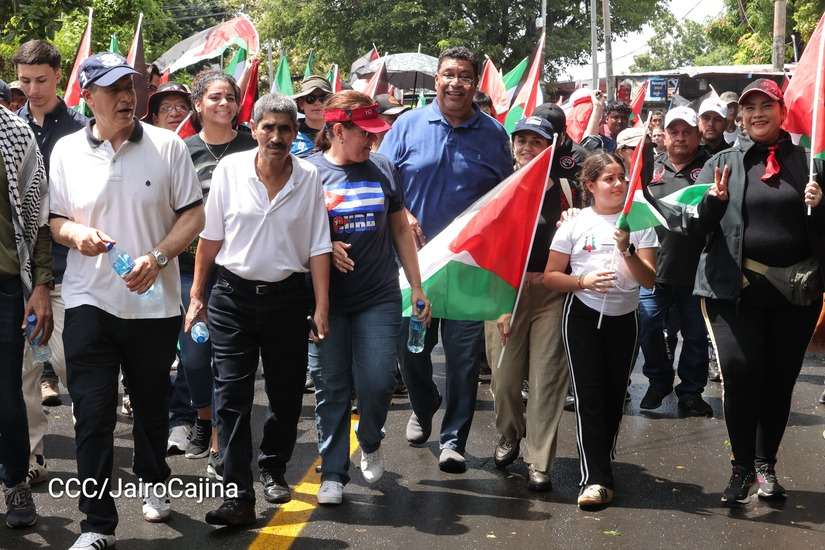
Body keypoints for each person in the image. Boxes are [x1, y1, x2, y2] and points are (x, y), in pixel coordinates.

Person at [49, 52, 204, 549]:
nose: (125, 97)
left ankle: (154, 480)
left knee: (151, 406)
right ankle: (96, 526)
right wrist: (75, 234)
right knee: (92, 413)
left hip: (154, 304)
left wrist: (158, 258)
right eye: (112, 89)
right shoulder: (66, 151)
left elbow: (193, 217)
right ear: (87, 96)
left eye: (130, 87)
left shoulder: (167, 147)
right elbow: (54, 219)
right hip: (87, 299)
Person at [664, 78, 825, 505]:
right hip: (730, 291)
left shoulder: (810, 161)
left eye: (765, 106)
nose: (756, 113)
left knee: (778, 382)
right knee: (740, 375)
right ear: (740, 116)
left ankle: (765, 465)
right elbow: (693, 229)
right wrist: (713, 202)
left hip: (795, 295)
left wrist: (822, 203)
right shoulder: (723, 161)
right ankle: (741, 468)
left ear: (782, 111)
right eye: (749, 107)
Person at [187, 92, 331, 526]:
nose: (275, 136)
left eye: (285, 129)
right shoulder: (230, 169)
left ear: (294, 134)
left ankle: (272, 465)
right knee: (231, 396)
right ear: (253, 130)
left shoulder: (308, 177)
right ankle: (238, 494)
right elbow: (210, 238)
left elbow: (318, 245)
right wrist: (196, 295)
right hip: (231, 298)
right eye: (267, 127)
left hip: (288, 300)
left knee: (286, 395)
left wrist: (321, 304)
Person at [379, 46, 513, 473]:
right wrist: (406, 215)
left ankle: (454, 438)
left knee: (463, 361)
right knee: (410, 351)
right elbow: (382, 181)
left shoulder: (494, 135)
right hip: (414, 266)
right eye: (448, 75)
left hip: (469, 268)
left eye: (465, 76)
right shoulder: (406, 125)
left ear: (476, 83)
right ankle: (424, 406)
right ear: (436, 80)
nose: (456, 83)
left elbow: (505, 198)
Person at [307, 91, 429, 505]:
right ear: (338, 131)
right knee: (331, 386)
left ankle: (371, 437)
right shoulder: (306, 173)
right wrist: (322, 244)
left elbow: (399, 230)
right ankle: (334, 471)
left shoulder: (383, 168)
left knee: (378, 381)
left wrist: (416, 285)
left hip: (378, 296)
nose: (372, 142)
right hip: (324, 302)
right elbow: (289, 234)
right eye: (365, 134)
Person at [544, 150, 657, 509]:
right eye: (609, 179)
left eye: (622, 177)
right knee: (589, 397)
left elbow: (649, 281)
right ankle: (594, 480)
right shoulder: (575, 224)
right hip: (582, 317)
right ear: (590, 186)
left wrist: (627, 251)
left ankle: (601, 458)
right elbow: (550, 277)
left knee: (613, 395)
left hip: (625, 318)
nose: (619, 184)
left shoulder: (641, 222)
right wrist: (583, 281)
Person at [13, 38, 88, 486]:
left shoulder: (81, 130)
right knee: (24, 371)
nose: (33, 89)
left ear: (59, 75)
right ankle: (32, 455)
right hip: (21, 275)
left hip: (69, 271)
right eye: (24, 81)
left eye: (41, 80)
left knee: (72, 364)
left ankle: (92, 442)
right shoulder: (12, 130)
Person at [486, 116, 573, 492]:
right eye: (520, 140)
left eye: (535, 142)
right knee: (505, 379)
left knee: (547, 380)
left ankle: (540, 459)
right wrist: (503, 304)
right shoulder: (499, 188)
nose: (525, 147)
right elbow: (487, 248)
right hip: (506, 294)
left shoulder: (569, 190)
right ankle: (509, 433)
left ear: (550, 148)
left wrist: (577, 218)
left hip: (553, 294)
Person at [182, 70, 256, 466]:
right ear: (198, 105)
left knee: (227, 360)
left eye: (230, 97)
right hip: (190, 269)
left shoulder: (252, 145)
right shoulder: (183, 150)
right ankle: (202, 416)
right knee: (195, 356)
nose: (224, 103)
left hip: (238, 269)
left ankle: (218, 437)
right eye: (215, 97)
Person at [638, 106, 712, 416]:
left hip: (698, 273)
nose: (680, 138)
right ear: (663, 135)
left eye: (687, 132)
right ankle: (659, 380)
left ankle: (691, 392)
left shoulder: (711, 167)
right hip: (654, 270)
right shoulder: (648, 169)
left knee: (695, 337)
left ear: (697, 134)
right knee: (647, 326)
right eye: (673, 132)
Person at [0, 101, 53, 529]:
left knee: (6, 399)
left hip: (4, 287)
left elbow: (38, 222)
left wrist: (40, 286)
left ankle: (15, 481)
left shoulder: (17, 136)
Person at [290, 76, 332, 158]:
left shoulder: (340, 134)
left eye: (322, 98)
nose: (317, 103)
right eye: (310, 98)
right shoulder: (290, 136)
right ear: (301, 103)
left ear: (330, 102)